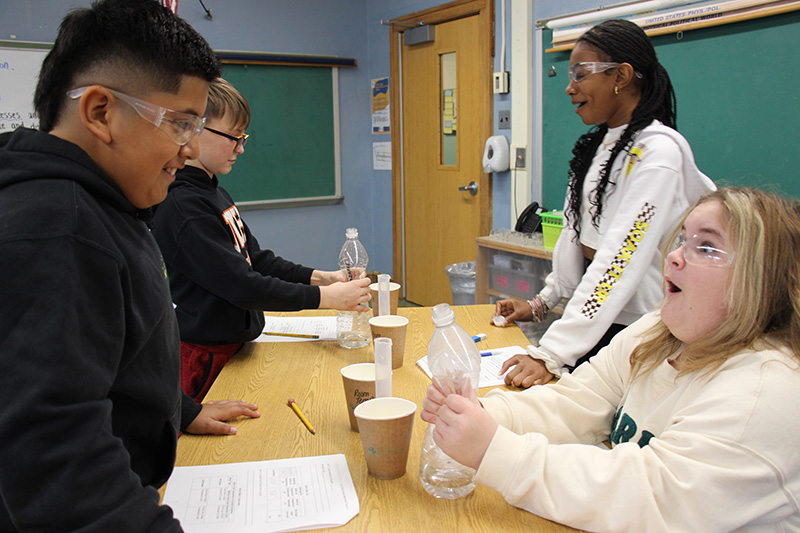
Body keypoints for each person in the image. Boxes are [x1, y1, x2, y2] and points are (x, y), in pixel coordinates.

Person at [0, 1, 260, 530]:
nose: (190, 149)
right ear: (100, 111)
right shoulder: (58, 229)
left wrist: (182, 410)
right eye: (181, 123)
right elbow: (59, 464)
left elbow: (113, 355)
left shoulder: (107, 205)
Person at [425, 187, 800, 531]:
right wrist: (480, 415)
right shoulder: (658, 333)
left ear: (762, 280)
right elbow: (575, 402)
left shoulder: (765, 393)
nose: (673, 255)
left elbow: (648, 497)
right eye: (683, 239)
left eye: (705, 247)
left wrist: (494, 450)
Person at [492, 19, 715, 387]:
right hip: (602, 321)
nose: (569, 87)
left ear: (622, 76)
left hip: (646, 330)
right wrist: (541, 303)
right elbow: (576, 239)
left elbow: (619, 258)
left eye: (580, 73)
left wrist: (551, 354)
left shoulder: (658, 152)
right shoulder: (599, 147)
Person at [152, 78, 371, 401]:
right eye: (233, 138)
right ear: (196, 129)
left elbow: (256, 259)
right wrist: (327, 298)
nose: (240, 148)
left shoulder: (212, 191)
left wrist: (322, 278)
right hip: (207, 357)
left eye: (244, 138)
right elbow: (242, 285)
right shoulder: (184, 206)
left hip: (236, 348)